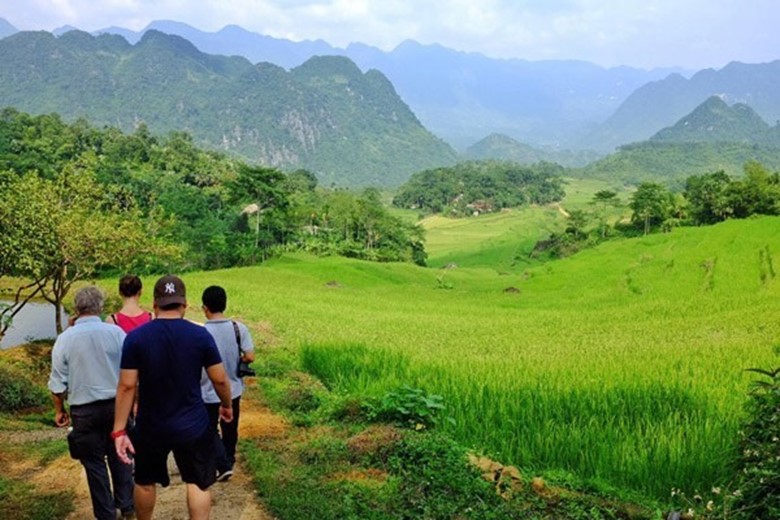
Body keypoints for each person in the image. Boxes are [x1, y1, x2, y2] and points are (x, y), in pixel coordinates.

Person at [112, 275, 233, 520]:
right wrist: (227, 405)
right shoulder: (200, 335)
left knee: (144, 480)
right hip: (193, 424)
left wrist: (118, 430)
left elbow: (126, 386)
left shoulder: (136, 338)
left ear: (155, 304)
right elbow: (220, 379)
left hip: (151, 424)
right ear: (184, 304)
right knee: (198, 482)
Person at [48, 286, 135, 520]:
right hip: (117, 406)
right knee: (121, 455)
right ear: (101, 307)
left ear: (77, 309)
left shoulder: (64, 339)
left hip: (84, 412)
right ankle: (126, 504)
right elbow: (131, 373)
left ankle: (106, 514)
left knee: (94, 463)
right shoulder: (116, 333)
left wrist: (59, 410)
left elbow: (58, 384)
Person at [200, 285, 256, 482]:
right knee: (230, 426)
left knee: (208, 428)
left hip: (207, 389)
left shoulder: (201, 331)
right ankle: (229, 459)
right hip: (233, 388)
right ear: (224, 304)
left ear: (204, 308)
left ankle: (221, 463)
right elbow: (250, 356)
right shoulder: (238, 328)